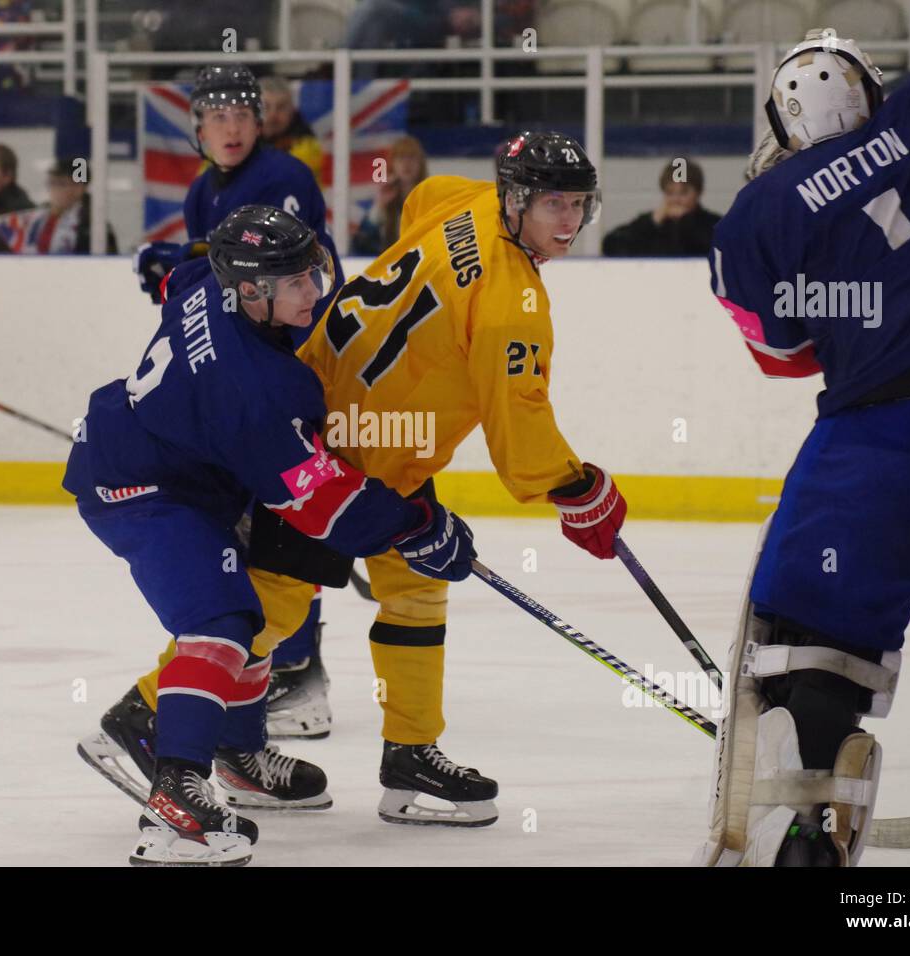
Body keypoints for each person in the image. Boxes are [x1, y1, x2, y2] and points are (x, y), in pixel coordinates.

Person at [697, 28, 910, 867]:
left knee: (814, 641)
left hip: (877, 421)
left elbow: (780, 354)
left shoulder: (757, 215)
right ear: (870, 91)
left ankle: (803, 824)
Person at [233, 131, 626, 828]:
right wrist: (578, 489)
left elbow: (421, 196)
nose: (567, 221)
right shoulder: (514, 303)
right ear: (515, 200)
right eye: (552, 205)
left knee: (416, 586)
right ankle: (158, 723)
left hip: (352, 422)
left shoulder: (462, 202)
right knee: (272, 606)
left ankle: (410, 755)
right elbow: (520, 422)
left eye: (578, 205)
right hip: (344, 455)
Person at [65, 205, 475, 866]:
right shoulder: (259, 390)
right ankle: (175, 799)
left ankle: (236, 752)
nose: (316, 290)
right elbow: (324, 505)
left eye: (311, 271)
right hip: (145, 491)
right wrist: (416, 525)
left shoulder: (210, 284)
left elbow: (181, 278)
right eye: (297, 282)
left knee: (254, 603)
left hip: (159, 457)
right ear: (250, 290)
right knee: (222, 622)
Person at [133, 62, 343, 742]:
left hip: (295, 367)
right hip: (253, 374)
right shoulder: (202, 191)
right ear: (196, 128)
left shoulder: (282, 179)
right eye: (216, 116)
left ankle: (300, 669)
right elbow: (221, 277)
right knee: (259, 523)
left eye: (242, 115)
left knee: (287, 518)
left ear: (262, 122)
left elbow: (291, 279)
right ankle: (275, 666)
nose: (230, 126)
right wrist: (180, 265)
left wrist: (182, 264)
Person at [0, 156, 117, 254]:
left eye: (61, 184)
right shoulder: (38, 218)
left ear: (79, 189)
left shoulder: (92, 225)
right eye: (52, 183)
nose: (54, 190)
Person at [602, 158, 720, 257]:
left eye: (684, 192)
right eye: (670, 192)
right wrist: (652, 222)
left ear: (698, 192)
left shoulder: (714, 225)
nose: (676, 199)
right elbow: (610, 245)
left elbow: (723, 250)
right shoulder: (651, 225)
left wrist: (686, 222)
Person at [353, 134, 428, 255]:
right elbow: (360, 246)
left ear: (421, 164)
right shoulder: (387, 199)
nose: (406, 163)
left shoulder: (430, 197)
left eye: (412, 157)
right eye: (401, 158)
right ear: (392, 164)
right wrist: (379, 206)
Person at [259, 76, 323, 184]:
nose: (273, 115)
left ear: (292, 110)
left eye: (281, 107)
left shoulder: (306, 145)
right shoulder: (240, 140)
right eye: (266, 107)